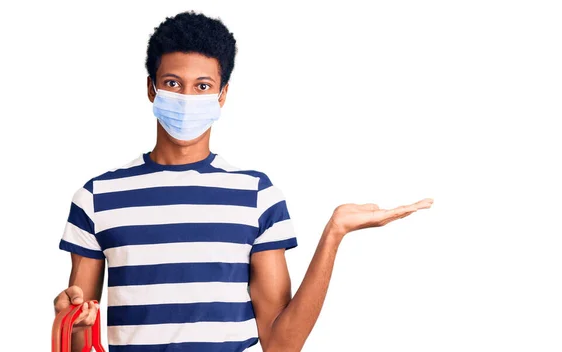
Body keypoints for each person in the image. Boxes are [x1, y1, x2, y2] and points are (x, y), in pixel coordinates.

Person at [53, 10, 433, 352]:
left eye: (202, 86)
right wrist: (68, 322)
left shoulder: (257, 196)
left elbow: (282, 344)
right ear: (151, 88)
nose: (187, 97)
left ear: (222, 95)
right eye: (172, 83)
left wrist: (333, 234)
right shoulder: (97, 197)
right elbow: (78, 339)